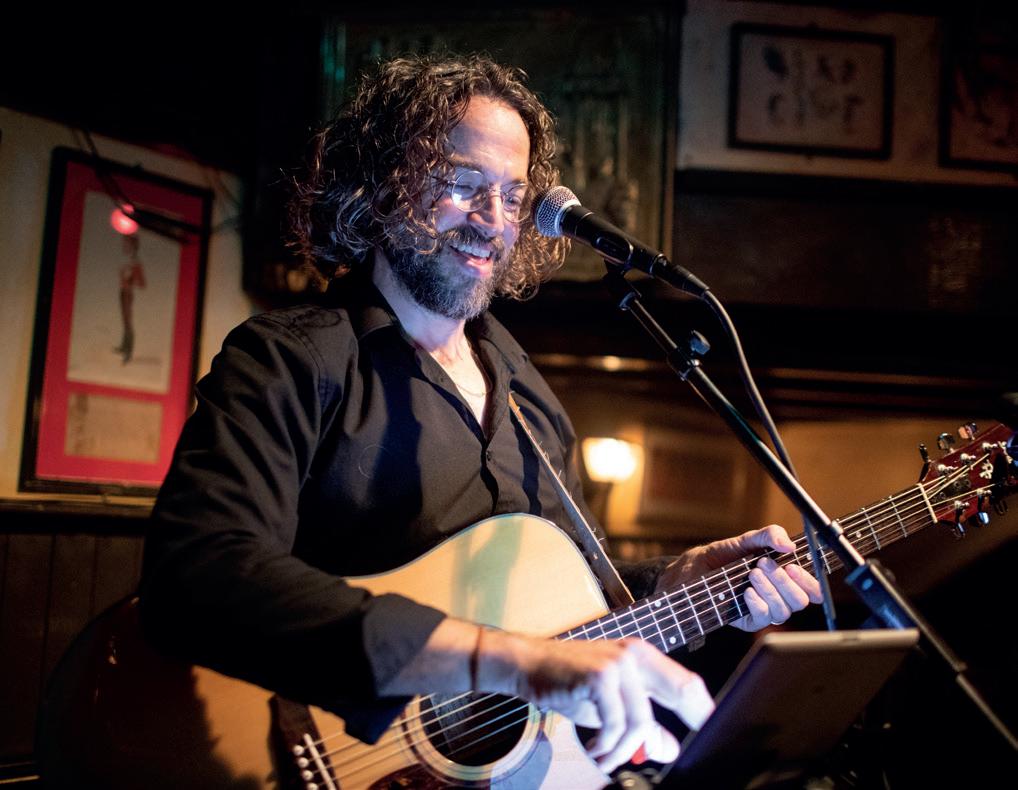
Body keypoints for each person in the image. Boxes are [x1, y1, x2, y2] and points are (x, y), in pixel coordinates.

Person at [139, 53, 821, 778]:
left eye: (514, 196)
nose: (493, 223)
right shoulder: (292, 359)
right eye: (462, 185)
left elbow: (567, 608)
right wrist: (509, 661)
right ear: (382, 187)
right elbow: (198, 574)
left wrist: (672, 583)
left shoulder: (533, 403)